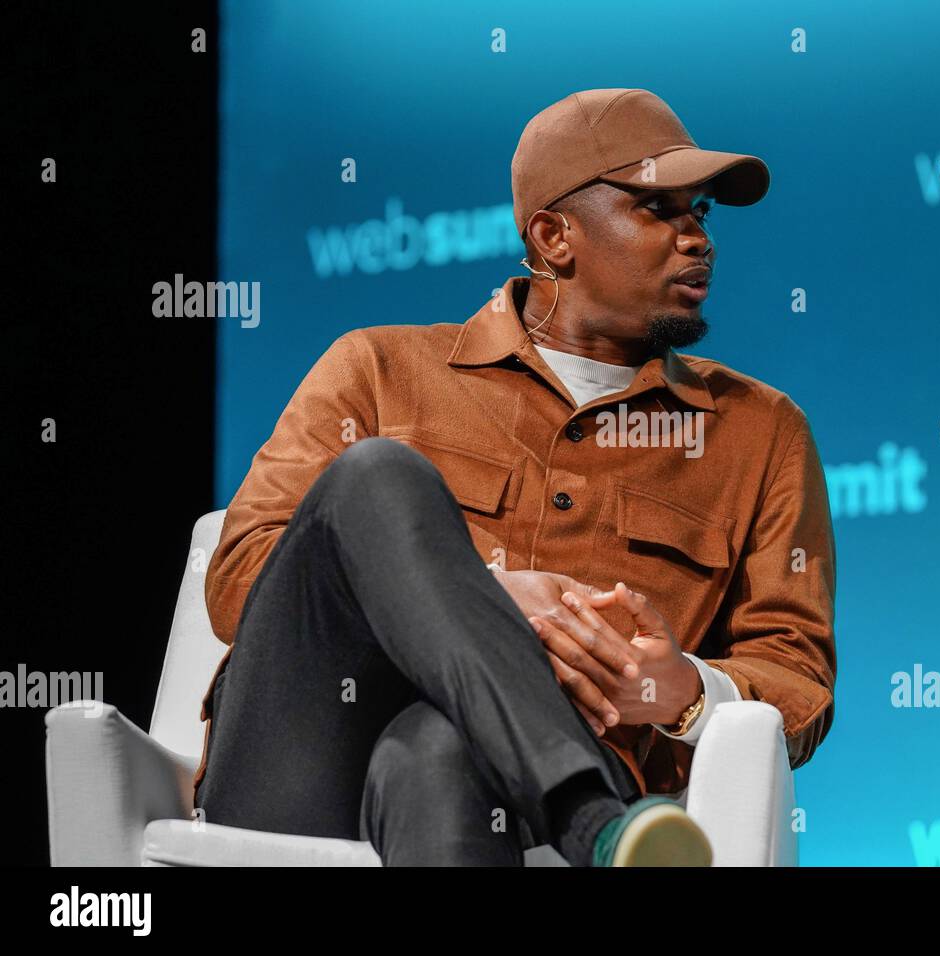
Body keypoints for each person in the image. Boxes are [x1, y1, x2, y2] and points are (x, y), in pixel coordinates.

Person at [194, 88, 837, 866]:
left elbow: (795, 674)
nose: (696, 238)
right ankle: (593, 823)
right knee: (377, 475)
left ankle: (579, 805)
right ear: (555, 235)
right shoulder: (377, 368)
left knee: (439, 749)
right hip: (302, 765)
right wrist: (487, 590)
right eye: (657, 209)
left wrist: (684, 689)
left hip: (503, 784)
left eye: (700, 213)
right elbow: (237, 581)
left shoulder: (760, 434)